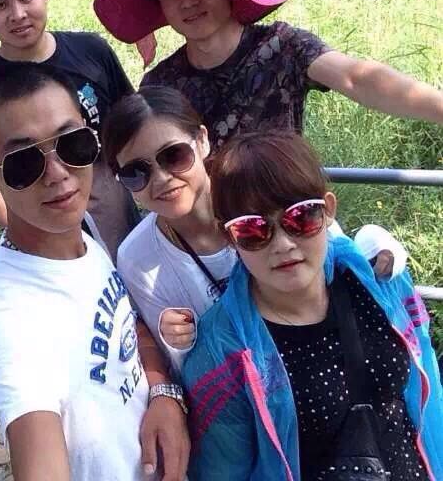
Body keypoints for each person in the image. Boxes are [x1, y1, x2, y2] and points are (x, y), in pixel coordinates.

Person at [0, 62, 189, 481]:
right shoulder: (4, 315)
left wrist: (162, 392)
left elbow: (126, 325)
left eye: (73, 144)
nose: (58, 174)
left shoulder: (82, 232)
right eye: (24, 162)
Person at [180, 132, 443, 480]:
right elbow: (223, 473)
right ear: (230, 237)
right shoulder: (222, 351)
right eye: (253, 230)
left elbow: (428, 390)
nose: (283, 244)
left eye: (300, 217)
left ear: (328, 210)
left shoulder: (378, 280)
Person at [103, 87, 408, 374]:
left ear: (203, 140)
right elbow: (189, 372)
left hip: (328, 361)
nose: (161, 178)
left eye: (173, 156)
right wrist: (178, 343)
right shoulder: (137, 259)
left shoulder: (258, 190)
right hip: (247, 390)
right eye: (135, 172)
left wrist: (374, 245)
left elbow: (335, 255)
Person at [93, 0, 443, 148]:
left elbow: (356, 77)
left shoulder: (283, 47)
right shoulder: (161, 84)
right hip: (210, 232)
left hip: (291, 221)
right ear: (160, 4)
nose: (188, 1)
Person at [0, 0, 139, 260]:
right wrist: (33, 246)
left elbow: (133, 129)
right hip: (48, 235)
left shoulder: (92, 53)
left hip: (119, 220)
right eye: (0, 4)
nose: (17, 14)